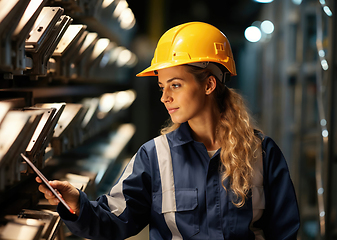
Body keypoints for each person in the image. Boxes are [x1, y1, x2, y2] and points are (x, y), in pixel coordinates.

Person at [36, 22, 300, 239]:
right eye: (162, 86)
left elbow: (284, 232)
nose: (164, 97)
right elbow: (112, 221)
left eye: (175, 85)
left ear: (208, 85)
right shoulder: (154, 157)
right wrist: (77, 205)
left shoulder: (262, 153)